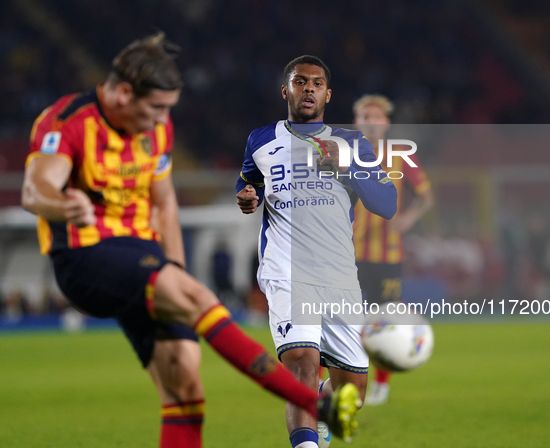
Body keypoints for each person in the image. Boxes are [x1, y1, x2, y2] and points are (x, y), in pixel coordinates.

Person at [21, 35, 360, 447]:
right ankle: (315, 405)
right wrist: (62, 205)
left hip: (139, 253)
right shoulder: (66, 121)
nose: (162, 119)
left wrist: (175, 271)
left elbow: (163, 203)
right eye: (157, 108)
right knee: (201, 300)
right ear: (124, 93)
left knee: (185, 381)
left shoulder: (156, 126)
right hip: (86, 254)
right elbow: (34, 191)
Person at [236, 56, 398, 448]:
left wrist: (343, 169)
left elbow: (387, 204)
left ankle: (323, 408)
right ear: (286, 90)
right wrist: (247, 198)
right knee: (302, 364)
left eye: (316, 83)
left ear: (328, 94)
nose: (308, 88)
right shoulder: (260, 140)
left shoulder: (352, 143)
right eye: (299, 81)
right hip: (286, 271)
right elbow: (248, 184)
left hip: (340, 277)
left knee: (352, 394)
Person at [352, 94, 434, 405]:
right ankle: (336, 382)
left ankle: (381, 386)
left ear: (386, 122)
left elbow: (426, 196)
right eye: (363, 116)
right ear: (356, 121)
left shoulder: (401, 155)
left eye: (375, 116)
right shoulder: (345, 153)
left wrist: (409, 217)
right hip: (349, 253)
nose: (370, 121)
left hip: (387, 256)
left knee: (384, 319)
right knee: (343, 318)